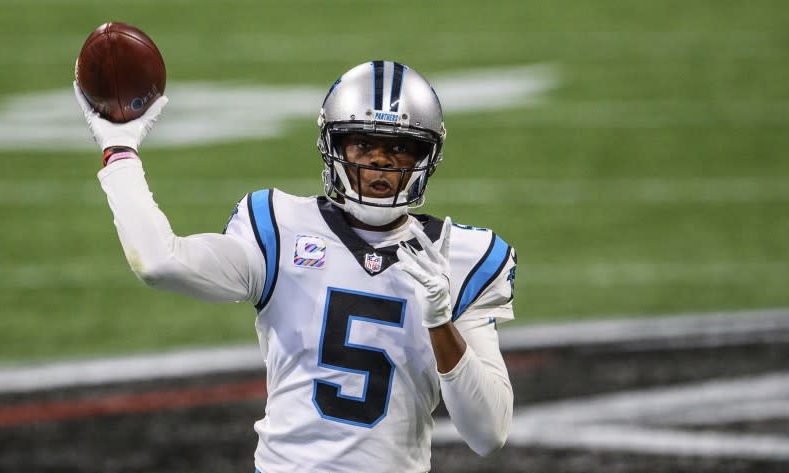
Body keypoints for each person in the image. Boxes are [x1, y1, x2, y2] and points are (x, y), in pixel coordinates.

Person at [75, 60, 516, 472]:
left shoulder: (462, 256)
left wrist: (441, 323)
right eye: (363, 143)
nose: (381, 161)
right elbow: (158, 262)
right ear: (333, 144)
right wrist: (120, 150)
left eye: (400, 147)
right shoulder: (278, 227)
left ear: (424, 156)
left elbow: (488, 432)